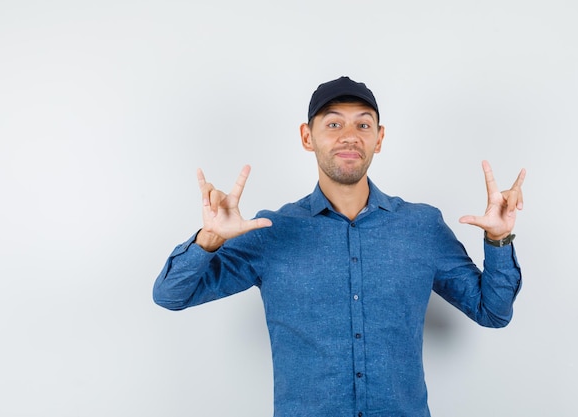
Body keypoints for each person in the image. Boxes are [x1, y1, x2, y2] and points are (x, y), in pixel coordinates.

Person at [153, 76, 526, 417]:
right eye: (333, 124)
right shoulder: (271, 231)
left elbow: (493, 312)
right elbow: (171, 295)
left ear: (378, 138)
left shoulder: (421, 226)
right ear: (306, 136)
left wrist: (498, 239)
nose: (350, 136)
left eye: (363, 124)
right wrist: (210, 240)